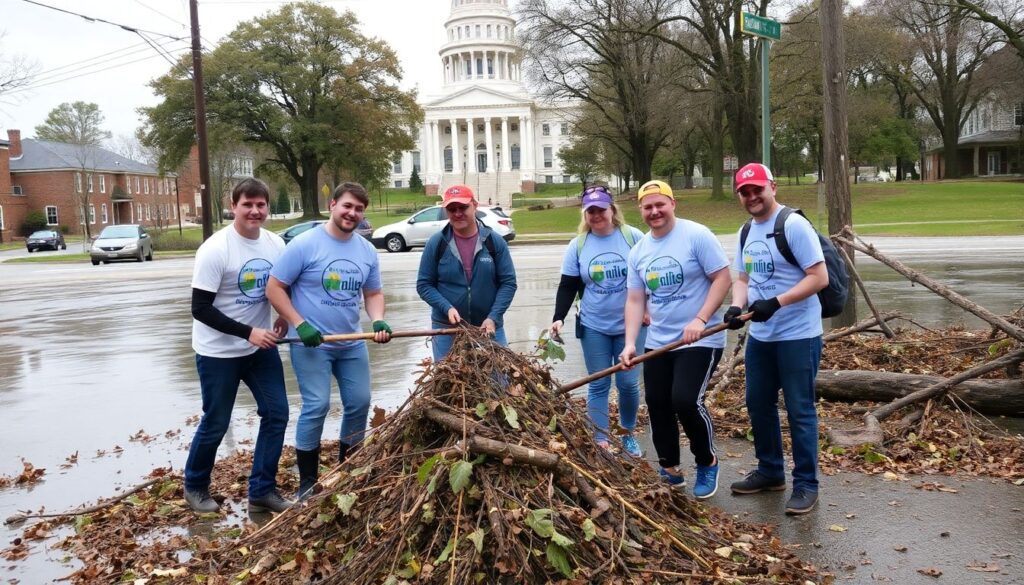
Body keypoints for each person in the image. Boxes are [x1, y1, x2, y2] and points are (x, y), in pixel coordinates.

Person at [266, 182, 392, 499]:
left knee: (360, 402)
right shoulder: (304, 245)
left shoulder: (366, 250)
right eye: (347, 206)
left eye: (359, 209)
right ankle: (308, 483)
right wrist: (299, 324)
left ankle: (347, 473)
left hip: (351, 343)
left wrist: (377, 319)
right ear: (333, 204)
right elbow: (275, 288)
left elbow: (373, 293)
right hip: (312, 343)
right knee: (317, 405)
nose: (352, 213)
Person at [724, 163, 828, 515]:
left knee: (799, 410)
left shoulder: (793, 225)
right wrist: (736, 307)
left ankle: (806, 485)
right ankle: (771, 471)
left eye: (757, 189)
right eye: (744, 191)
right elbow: (742, 278)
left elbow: (819, 277)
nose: (752, 196)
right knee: (757, 403)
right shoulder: (745, 232)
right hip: (762, 335)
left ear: (773, 187)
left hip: (799, 334)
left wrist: (777, 302)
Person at [184, 178, 292, 514]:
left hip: (259, 348)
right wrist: (248, 332)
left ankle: (262, 489)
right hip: (218, 352)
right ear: (233, 206)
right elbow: (199, 308)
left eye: (261, 205)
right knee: (217, 420)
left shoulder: (275, 245)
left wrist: (284, 317)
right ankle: (195, 486)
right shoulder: (216, 249)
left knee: (277, 413)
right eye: (247, 204)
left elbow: (283, 287)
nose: (255, 211)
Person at [620, 180, 732, 500]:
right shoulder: (639, 251)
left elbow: (723, 277)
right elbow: (634, 300)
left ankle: (707, 461)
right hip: (659, 340)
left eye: (660, 204)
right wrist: (630, 343)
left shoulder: (696, 235)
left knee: (685, 400)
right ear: (640, 210)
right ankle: (670, 470)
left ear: (673, 204)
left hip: (701, 338)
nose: (654, 211)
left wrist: (700, 319)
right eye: (647, 207)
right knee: (657, 403)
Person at [550, 185, 646, 456]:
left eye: (600, 209)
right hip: (594, 325)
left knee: (628, 383)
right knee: (599, 382)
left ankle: (627, 433)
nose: (596, 215)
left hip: (632, 325)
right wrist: (559, 317)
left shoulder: (632, 237)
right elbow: (567, 285)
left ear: (612, 209)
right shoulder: (579, 245)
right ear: (585, 214)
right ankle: (600, 438)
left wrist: (649, 308)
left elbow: (648, 272)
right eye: (590, 211)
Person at [416, 184, 517, 361]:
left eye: (463, 207)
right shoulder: (436, 243)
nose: (457, 213)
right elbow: (424, 285)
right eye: (451, 209)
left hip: (489, 328)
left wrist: (493, 317)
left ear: (475, 205)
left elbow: (508, 283)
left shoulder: (494, 242)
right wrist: (446, 307)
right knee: (450, 387)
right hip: (447, 330)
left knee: (499, 384)